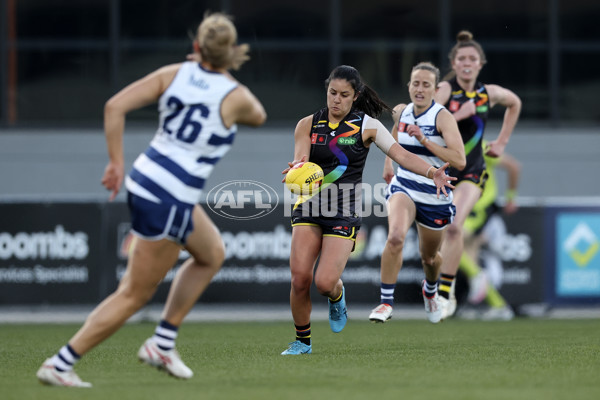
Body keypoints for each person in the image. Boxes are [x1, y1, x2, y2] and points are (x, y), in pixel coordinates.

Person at [36, 12, 266, 387]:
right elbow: (258, 115)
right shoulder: (235, 95)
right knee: (133, 293)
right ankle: (60, 363)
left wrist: (115, 162)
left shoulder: (173, 73)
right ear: (230, 56)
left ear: (196, 47)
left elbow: (114, 106)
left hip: (145, 179)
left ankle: (162, 342)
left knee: (212, 254)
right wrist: (223, 75)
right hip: (172, 195)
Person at [280, 65, 456, 355]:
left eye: (344, 95)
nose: (336, 99)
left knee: (324, 283)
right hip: (309, 207)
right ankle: (302, 342)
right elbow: (302, 162)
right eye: (332, 93)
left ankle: (337, 297)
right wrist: (295, 170)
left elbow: (401, 154)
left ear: (355, 96)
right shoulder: (307, 124)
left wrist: (431, 171)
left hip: (343, 210)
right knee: (300, 279)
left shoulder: (368, 125)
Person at [368, 62, 466, 324]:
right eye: (415, 83)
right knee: (396, 237)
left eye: (425, 84)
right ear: (408, 86)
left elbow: (459, 160)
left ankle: (430, 291)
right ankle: (386, 303)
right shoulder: (401, 111)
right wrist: (389, 163)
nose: (419, 89)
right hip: (405, 184)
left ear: (435, 89)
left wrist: (424, 140)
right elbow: (394, 135)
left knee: (430, 257)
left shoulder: (442, 117)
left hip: (435, 194)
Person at [433, 30, 521, 320]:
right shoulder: (445, 91)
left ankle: (447, 293)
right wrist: (460, 114)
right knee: (443, 236)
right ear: (454, 63)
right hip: (443, 174)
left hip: (472, 175)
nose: (467, 62)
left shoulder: (488, 93)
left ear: (480, 63)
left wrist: (502, 142)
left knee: (456, 228)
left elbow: (515, 103)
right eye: (462, 58)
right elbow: (425, 125)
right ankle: (447, 288)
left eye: (473, 58)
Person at [459, 143, 521, 320]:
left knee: (449, 243)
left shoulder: (481, 146)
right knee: (465, 259)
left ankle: (479, 278)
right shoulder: (450, 142)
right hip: (462, 208)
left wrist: (510, 198)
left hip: (478, 209)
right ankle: (499, 306)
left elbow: (513, 166)